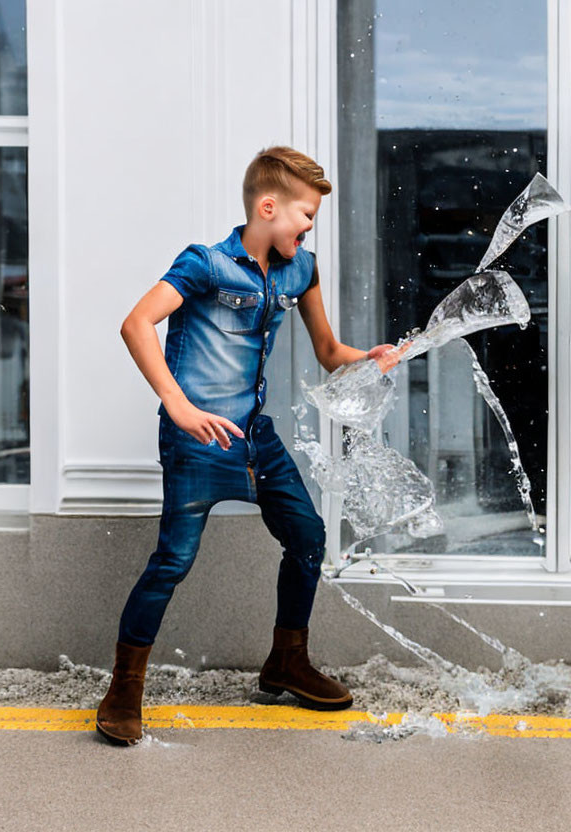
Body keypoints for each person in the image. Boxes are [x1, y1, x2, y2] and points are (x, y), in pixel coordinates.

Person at [96, 146, 397, 745]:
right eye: (306, 215)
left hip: (255, 437)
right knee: (174, 560)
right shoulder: (205, 265)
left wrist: (373, 358)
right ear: (268, 207)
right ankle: (124, 688)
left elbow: (329, 353)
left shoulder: (298, 270)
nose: (310, 227)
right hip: (197, 442)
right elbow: (136, 323)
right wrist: (180, 408)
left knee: (308, 537)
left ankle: (286, 660)